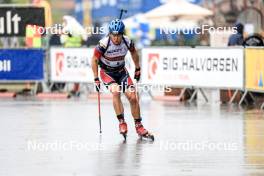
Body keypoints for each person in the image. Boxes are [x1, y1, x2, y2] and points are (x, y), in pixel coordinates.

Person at [91, 19, 152, 138]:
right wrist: (96, 78)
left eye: (118, 34)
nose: (116, 38)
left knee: (133, 97)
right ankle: (122, 122)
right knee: (115, 91)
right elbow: (94, 60)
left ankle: (139, 125)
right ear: (110, 34)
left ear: (122, 33)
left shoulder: (127, 41)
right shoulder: (103, 44)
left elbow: (134, 53)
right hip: (107, 73)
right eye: (114, 35)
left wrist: (138, 68)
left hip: (121, 72)